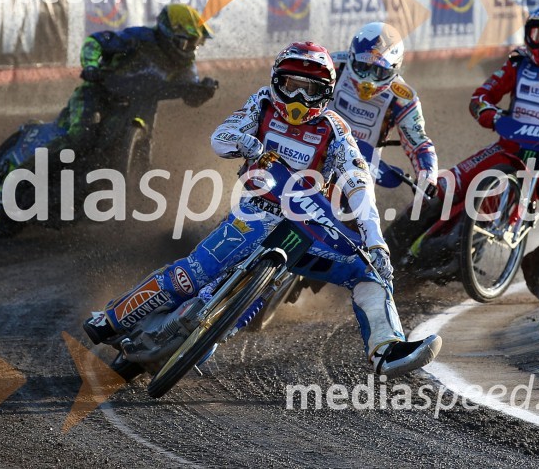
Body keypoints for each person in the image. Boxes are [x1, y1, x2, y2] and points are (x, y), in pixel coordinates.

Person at [84, 41, 442, 378]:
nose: (299, 97)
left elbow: (358, 183)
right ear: (276, 81)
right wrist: (247, 143)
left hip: (308, 230)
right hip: (256, 212)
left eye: (311, 89)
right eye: (291, 84)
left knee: (369, 273)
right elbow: (220, 138)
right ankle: (113, 318)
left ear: (326, 94)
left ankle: (386, 349)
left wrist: (375, 241)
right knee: (192, 273)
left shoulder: (335, 129)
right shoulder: (262, 104)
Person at [388, 3, 539, 302]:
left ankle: (537, 264)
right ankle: (385, 252)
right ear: (527, 34)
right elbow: (480, 98)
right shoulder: (517, 64)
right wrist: (494, 116)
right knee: (439, 187)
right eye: (537, 34)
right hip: (505, 151)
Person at [54, 3, 219, 157]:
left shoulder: (185, 68)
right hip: (99, 95)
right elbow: (95, 42)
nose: (191, 48)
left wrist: (203, 91)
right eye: (187, 42)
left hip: (139, 112)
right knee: (81, 137)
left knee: (143, 155)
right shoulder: (138, 38)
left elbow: (191, 97)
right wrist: (90, 66)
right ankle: (30, 172)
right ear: (168, 33)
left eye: (196, 43)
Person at [329, 21, 438, 197]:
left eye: (379, 72)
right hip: (315, 147)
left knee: (358, 220)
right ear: (351, 56)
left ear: (395, 69)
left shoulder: (402, 97)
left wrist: (427, 177)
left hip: (360, 167)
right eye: (364, 68)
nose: (368, 80)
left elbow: (418, 142)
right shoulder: (331, 66)